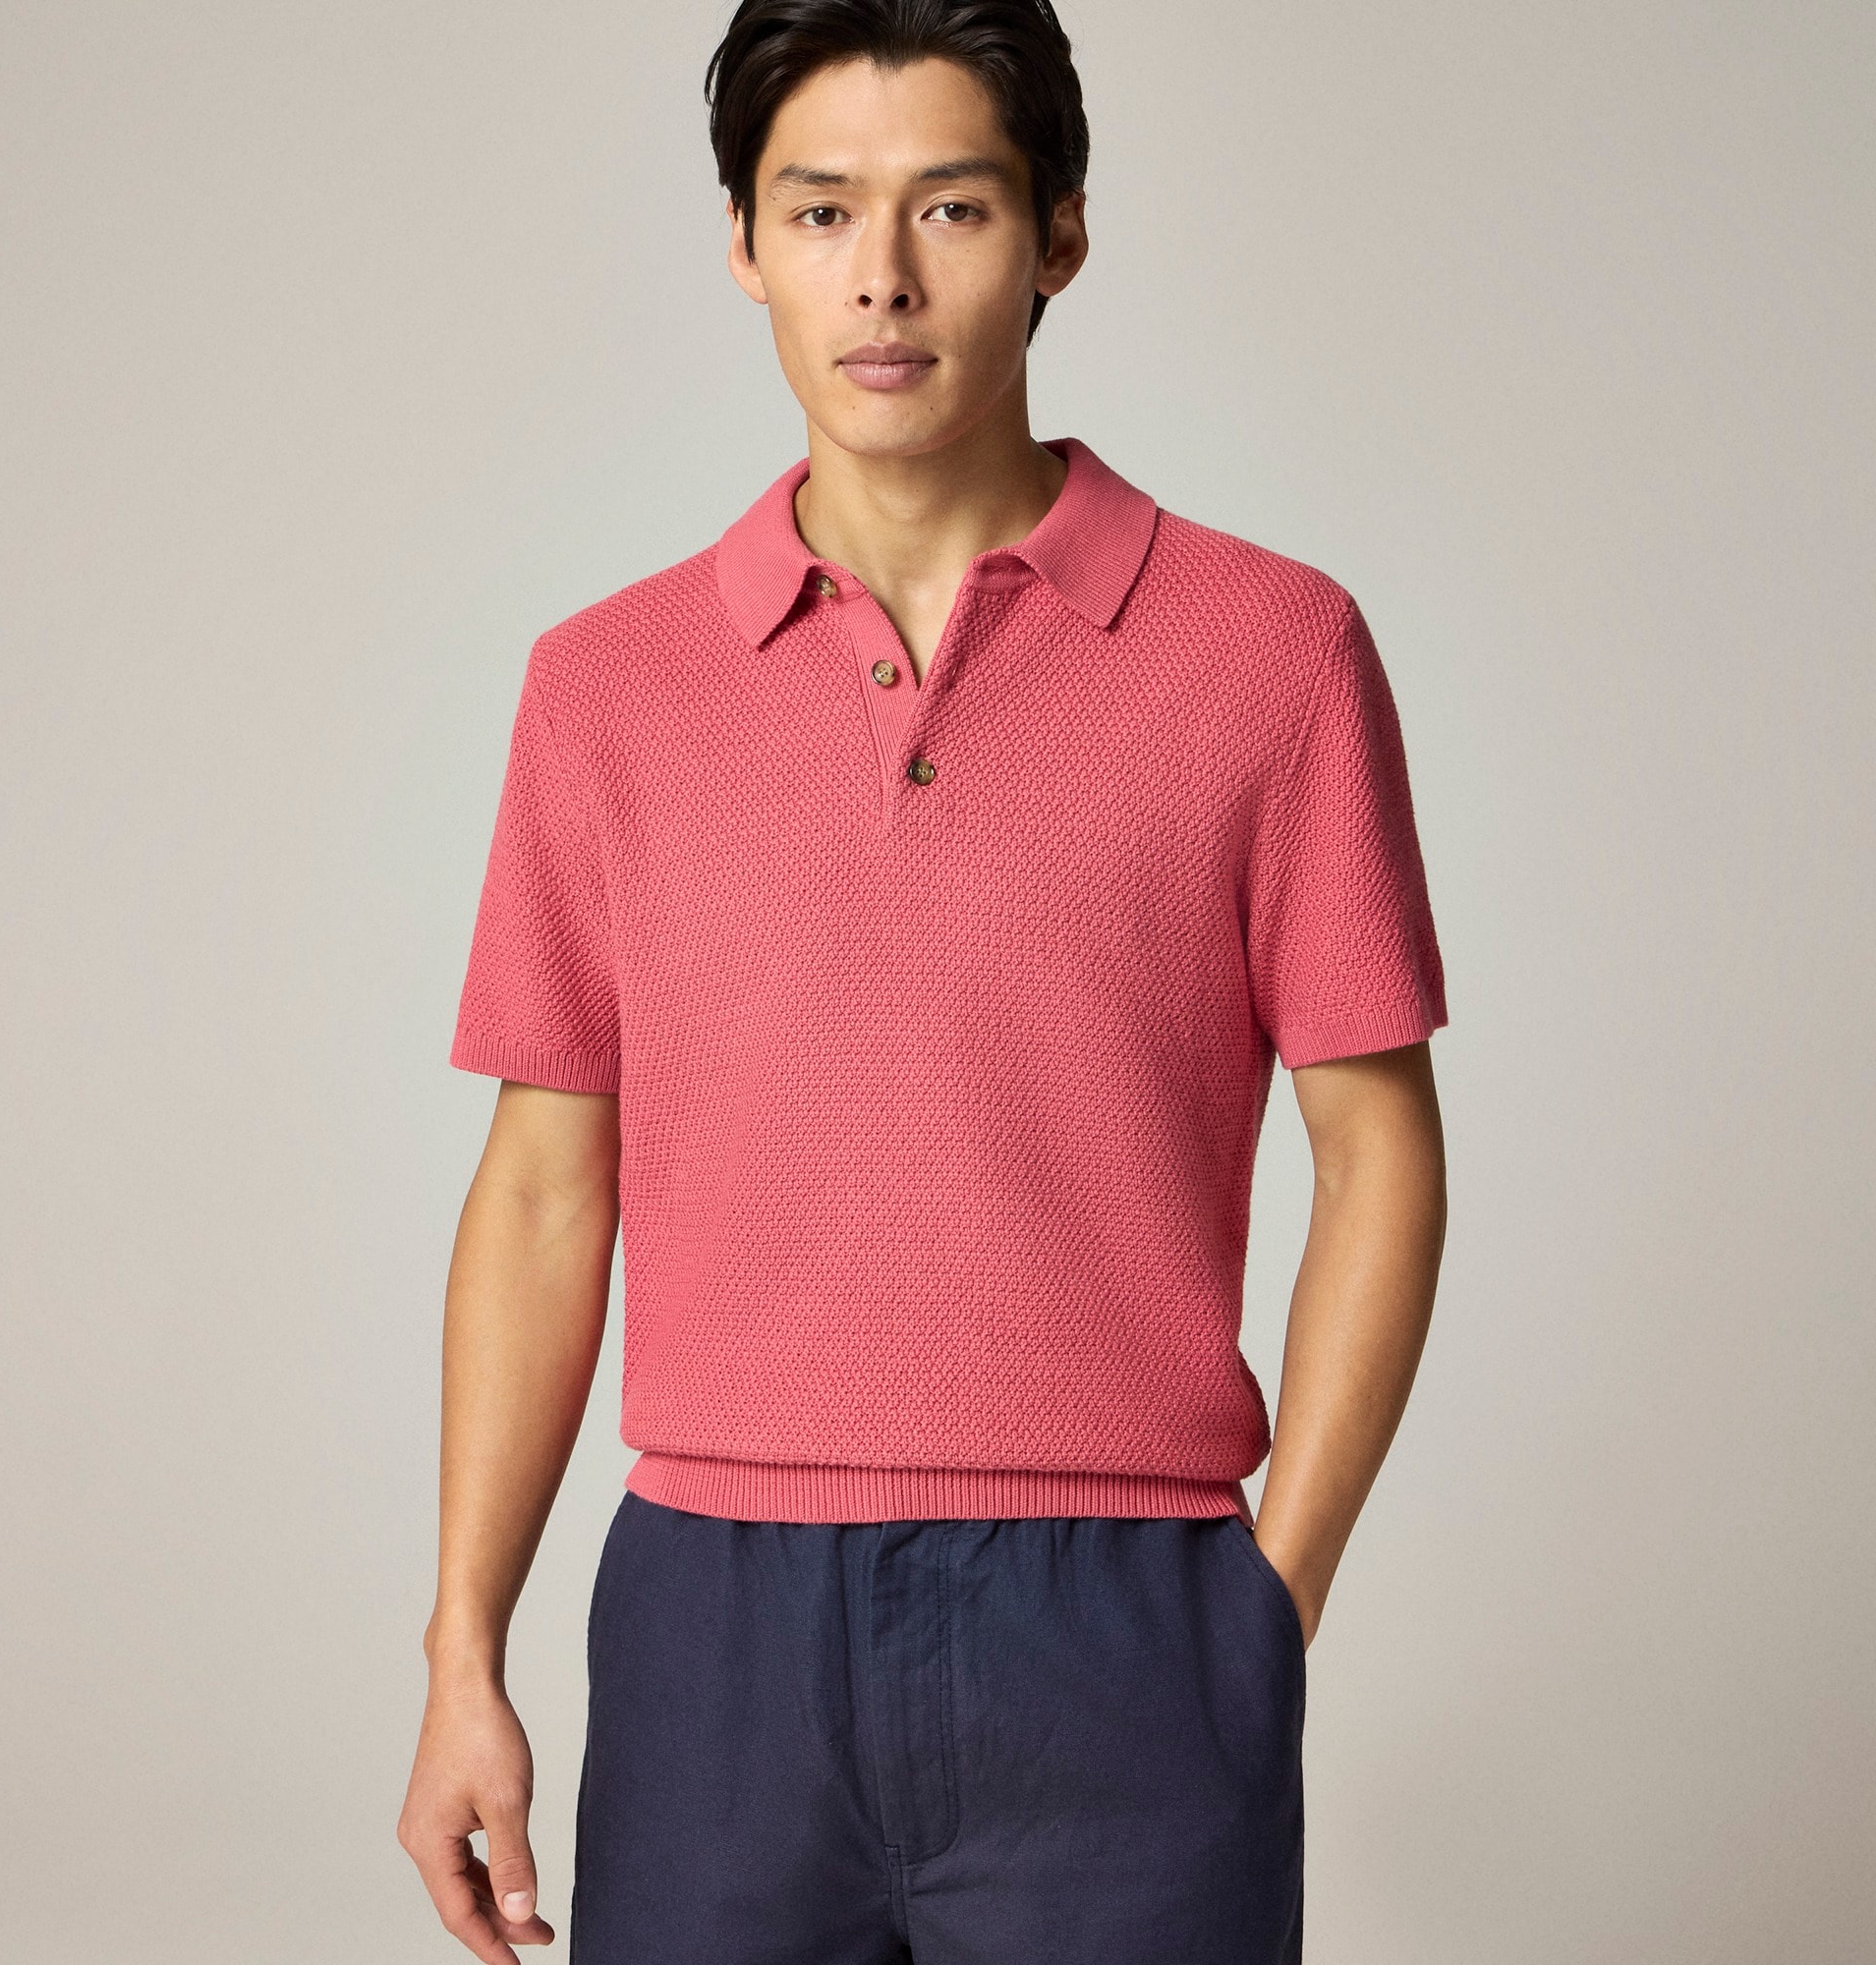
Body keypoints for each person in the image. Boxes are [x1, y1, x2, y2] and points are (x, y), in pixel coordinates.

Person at [397, 3, 1449, 1959]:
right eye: (821, 212)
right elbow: (542, 1184)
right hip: (715, 1620)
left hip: (1126, 1611)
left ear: (1059, 233)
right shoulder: (604, 688)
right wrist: (464, 1649)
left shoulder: (1271, 652)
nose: (880, 276)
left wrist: (1266, 1599)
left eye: (950, 207)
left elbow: (1377, 1143)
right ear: (745, 244)